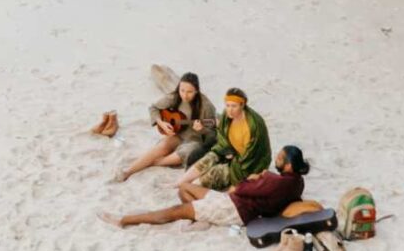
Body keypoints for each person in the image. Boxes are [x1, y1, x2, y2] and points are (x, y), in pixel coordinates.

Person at [102, 145, 310, 230]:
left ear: (289, 165)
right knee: (184, 187)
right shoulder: (297, 182)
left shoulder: (275, 181)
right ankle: (200, 217)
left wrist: (256, 177)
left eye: (280, 158)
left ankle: (124, 220)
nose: (276, 159)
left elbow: (241, 189)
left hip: (235, 209)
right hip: (234, 203)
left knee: (175, 211)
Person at [110, 70, 215, 183]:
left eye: (189, 92)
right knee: (163, 145)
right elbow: (154, 108)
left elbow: (212, 133)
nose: (185, 95)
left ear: (197, 91)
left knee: (187, 151)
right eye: (182, 90)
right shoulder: (175, 97)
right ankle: (128, 172)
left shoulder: (206, 106)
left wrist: (202, 129)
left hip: (195, 139)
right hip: (177, 134)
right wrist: (161, 123)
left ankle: (153, 163)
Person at [190, 87, 270, 192]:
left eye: (234, 106)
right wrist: (227, 150)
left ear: (243, 105)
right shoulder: (227, 115)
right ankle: (179, 184)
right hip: (232, 153)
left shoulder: (253, 126)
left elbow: (251, 157)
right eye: (227, 105)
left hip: (248, 164)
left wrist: (233, 161)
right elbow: (221, 132)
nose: (230, 109)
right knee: (208, 158)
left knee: (211, 175)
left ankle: (190, 187)